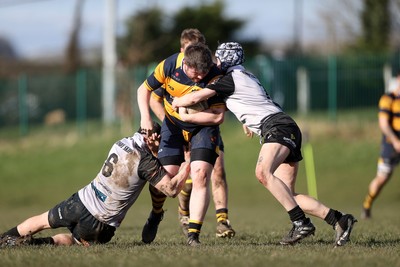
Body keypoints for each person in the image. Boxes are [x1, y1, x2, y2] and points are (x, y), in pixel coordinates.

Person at [172, 42, 357, 247]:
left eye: (219, 59)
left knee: (262, 172)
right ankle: (339, 220)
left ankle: (300, 223)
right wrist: (245, 120)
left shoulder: (229, 79)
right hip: (285, 125)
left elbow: (198, 96)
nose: (216, 63)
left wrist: (178, 101)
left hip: (277, 127)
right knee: (288, 194)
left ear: (226, 59)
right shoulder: (245, 76)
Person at [0, 122, 190, 247]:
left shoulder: (121, 142)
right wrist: (188, 163)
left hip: (80, 201)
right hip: (100, 221)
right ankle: (34, 245)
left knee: (43, 220)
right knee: (73, 242)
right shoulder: (146, 161)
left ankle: (5, 239)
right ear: (152, 137)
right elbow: (171, 189)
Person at [141, 29, 235, 245]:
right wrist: (154, 119)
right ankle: (156, 213)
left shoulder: (215, 75)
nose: (200, 78)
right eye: (196, 74)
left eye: (204, 73)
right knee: (165, 178)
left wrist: (189, 116)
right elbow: (147, 94)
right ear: (185, 60)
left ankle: (194, 233)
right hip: (173, 126)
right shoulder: (168, 66)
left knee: (202, 173)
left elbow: (218, 117)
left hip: (203, 128)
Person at [361, 72, 400, 219]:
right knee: (383, 177)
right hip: (391, 144)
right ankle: (367, 204)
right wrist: (395, 141)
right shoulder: (388, 98)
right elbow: (383, 124)